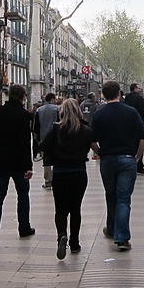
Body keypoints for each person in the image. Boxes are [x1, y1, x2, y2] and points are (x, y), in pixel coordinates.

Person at [90, 80, 144, 251]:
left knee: (110, 195)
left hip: (107, 159)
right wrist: (138, 155)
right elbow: (143, 136)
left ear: (104, 95)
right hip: (127, 159)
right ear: (119, 93)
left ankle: (111, 228)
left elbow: (91, 139)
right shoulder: (131, 112)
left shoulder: (99, 113)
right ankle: (122, 237)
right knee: (124, 199)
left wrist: (99, 152)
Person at [40, 98, 92, 259]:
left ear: (61, 111)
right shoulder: (85, 129)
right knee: (76, 209)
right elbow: (87, 148)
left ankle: (62, 235)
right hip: (79, 173)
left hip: (60, 173)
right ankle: (74, 243)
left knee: (60, 210)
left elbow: (42, 146)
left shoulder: (56, 129)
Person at [0, 84, 35, 247]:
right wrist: (29, 166)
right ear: (23, 97)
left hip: (0, 162)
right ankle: (24, 227)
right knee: (22, 194)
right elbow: (25, 142)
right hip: (19, 163)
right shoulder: (23, 115)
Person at [124, 83, 144, 174]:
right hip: (138, 123)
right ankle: (139, 164)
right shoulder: (138, 98)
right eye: (139, 88)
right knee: (139, 143)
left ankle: (130, 165)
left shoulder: (126, 98)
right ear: (135, 89)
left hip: (127, 124)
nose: (140, 89)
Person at [34, 93, 59, 189]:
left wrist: (38, 140)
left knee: (46, 160)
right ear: (52, 99)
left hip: (43, 139)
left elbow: (36, 127)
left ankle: (48, 181)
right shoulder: (57, 109)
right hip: (56, 138)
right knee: (57, 159)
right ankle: (56, 178)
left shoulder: (39, 110)